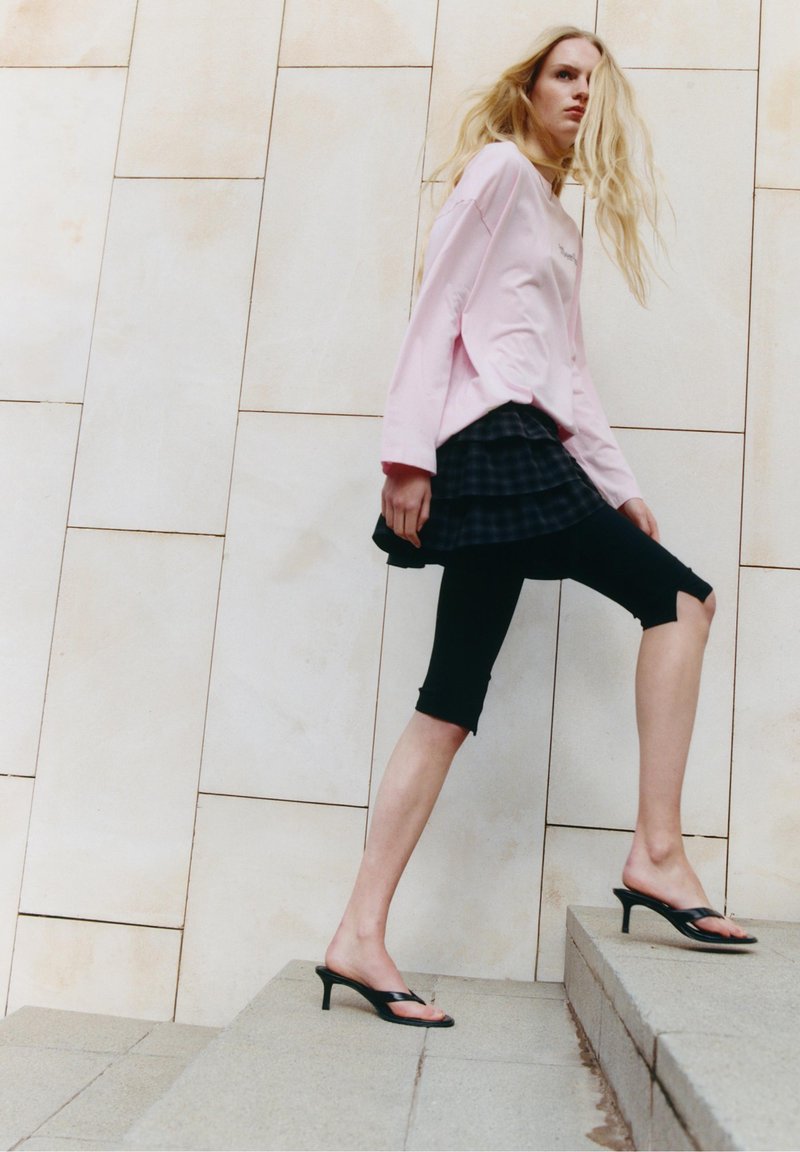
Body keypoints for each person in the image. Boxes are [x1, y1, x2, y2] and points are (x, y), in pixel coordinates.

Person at [316, 24, 756, 1030]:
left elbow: (569, 371)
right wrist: (405, 456)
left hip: (523, 449)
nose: (579, 94)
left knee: (447, 704)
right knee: (680, 600)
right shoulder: (500, 172)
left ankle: (356, 936)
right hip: (496, 446)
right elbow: (433, 308)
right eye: (562, 75)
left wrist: (618, 486)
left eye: (594, 82)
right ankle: (656, 853)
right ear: (527, 89)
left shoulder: (557, 218)